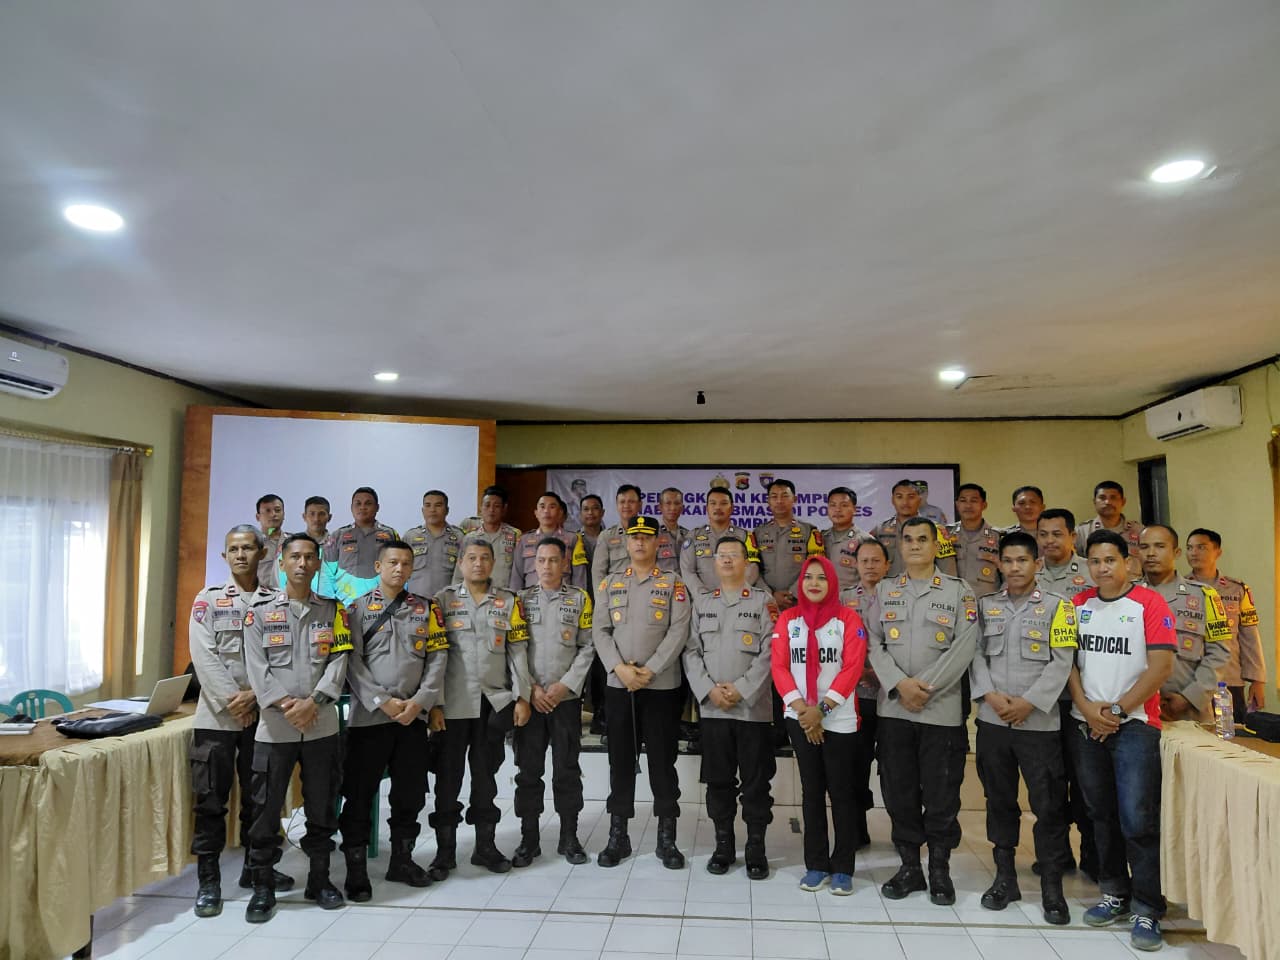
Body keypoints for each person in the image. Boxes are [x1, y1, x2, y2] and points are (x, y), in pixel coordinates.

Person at [1068, 530, 1176, 952]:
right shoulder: (1078, 605)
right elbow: (1068, 664)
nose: (1102, 568)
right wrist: (1087, 708)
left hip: (1135, 726)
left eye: (1110, 560)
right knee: (1101, 814)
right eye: (1094, 561)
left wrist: (1116, 711)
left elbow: (1161, 666)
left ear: (1127, 563)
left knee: (1137, 819)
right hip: (1087, 725)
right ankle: (1114, 892)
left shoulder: (1149, 604)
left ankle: (1147, 908)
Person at [863, 517, 977, 907]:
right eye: (908, 539)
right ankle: (910, 867)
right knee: (899, 792)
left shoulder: (959, 592)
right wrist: (899, 684)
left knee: (942, 794)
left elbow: (965, 646)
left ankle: (940, 869)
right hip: (895, 711)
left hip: (940, 711)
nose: (914, 545)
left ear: (935, 545)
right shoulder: (886, 590)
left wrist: (922, 687)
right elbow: (873, 641)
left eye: (922, 539)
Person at [242, 534, 350, 922]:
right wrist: (289, 705)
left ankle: (319, 881)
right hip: (276, 728)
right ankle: (262, 888)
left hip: (321, 725)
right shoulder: (259, 611)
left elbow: (339, 660)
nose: (302, 564)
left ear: (318, 564)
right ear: (283, 563)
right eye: (295, 557)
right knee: (265, 810)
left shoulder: (333, 611)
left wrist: (314, 702)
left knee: (322, 805)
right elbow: (256, 667)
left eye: (309, 557)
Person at [969, 532, 1076, 925]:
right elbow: (974, 655)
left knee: (1048, 806)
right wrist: (990, 696)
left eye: (1022, 561)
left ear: (1037, 564)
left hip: (1039, 723)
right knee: (999, 801)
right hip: (993, 720)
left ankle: (1052, 888)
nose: (1014, 568)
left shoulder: (1059, 607)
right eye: (1008, 561)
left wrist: (1029, 702)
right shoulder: (985, 607)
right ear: (999, 564)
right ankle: (1005, 879)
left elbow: (1062, 661)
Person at [188, 525, 290, 919]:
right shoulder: (208, 599)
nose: (241, 555)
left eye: (248, 548)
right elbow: (204, 657)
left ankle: (256, 870)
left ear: (262, 552)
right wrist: (235, 702)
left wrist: (255, 698)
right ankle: (209, 882)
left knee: (259, 801)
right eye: (233, 549)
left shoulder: (277, 601)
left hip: (263, 717)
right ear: (224, 556)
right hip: (217, 717)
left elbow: (284, 659)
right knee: (210, 801)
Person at [339, 540, 449, 900]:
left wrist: (421, 702)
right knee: (359, 794)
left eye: (405, 563)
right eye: (392, 563)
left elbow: (437, 659)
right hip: (370, 719)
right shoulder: (356, 609)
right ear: (378, 567)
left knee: (411, 794)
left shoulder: (426, 609)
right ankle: (356, 870)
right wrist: (381, 701)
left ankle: (401, 860)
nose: (399, 569)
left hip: (411, 720)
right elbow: (351, 662)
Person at [428, 538, 532, 878]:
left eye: (485, 558)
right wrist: (434, 704)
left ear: (493, 563)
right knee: (448, 779)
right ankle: (444, 853)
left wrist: (523, 697)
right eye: (471, 557)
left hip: (493, 703)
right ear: (460, 563)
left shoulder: (509, 601)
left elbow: (517, 652)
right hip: (453, 705)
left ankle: (485, 847)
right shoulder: (442, 601)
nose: (478, 563)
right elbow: (434, 657)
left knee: (485, 778)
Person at [593, 515, 692, 870]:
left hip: (661, 686)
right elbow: (600, 631)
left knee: (663, 763)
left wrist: (650, 670)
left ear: (657, 543)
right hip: (620, 686)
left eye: (646, 537)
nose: (639, 542)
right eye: (634, 537)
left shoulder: (673, 583)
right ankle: (618, 836)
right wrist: (619, 669)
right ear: (626, 542)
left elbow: (679, 631)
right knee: (620, 761)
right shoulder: (610, 583)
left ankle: (667, 838)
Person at [771, 555, 868, 895]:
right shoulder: (788, 619)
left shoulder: (848, 619)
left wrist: (821, 710)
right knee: (811, 792)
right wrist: (804, 711)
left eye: (821, 578)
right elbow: (779, 667)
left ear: (832, 582)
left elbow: (852, 668)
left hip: (838, 718)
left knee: (841, 792)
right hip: (799, 717)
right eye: (808, 577)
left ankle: (842, 868)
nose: (814, 583)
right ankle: (816, 865)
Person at [685, 537, 778, 880]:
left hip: (753, 711)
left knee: (756, 784)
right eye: (721, 555)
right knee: (718, 781)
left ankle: (756, 847)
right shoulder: (703, 603)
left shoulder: (763, 602)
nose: (726, 560)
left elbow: (772, 652)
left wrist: (742, 689)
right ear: (714, 562)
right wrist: (709, 690)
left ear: (747, 563)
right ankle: (723, 845)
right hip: (714, 711)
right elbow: (691, 651)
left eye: (733, 555)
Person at [512, 538, 596, 866]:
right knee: (528, 771)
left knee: (567, 770)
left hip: (565, 700)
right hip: (531, 700)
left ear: (564, 564)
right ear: (534, 565)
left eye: (553, 560)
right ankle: (529, 838)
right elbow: (514, 649)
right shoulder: (520, 601)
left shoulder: (580, 599)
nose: (547, 566)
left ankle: (569, 837)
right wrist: (530, 688)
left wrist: (566, 685)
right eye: (541, 560)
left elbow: (588, 646)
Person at [1034, 507, 1097, 881]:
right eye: (1043, 534)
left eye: (1057, 534)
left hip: (1084, 695)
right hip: (1043, 696)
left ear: (1073, 536)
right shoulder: (1029, 573)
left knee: (1086, 779)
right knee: (1049, 782)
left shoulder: (1093, 572)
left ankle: (1093, 854)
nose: (1049, 541)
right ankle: (1056, 855)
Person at [1137, 524, 1231, 722]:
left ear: (1176, 552)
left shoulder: (1204, 595)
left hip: (1189, 711)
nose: (1151, 553)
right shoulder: (1127, 595)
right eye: (1144, 547)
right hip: (1137, 710)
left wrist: (1190, 697)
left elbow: (1219, 653)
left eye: (1160, 546)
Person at [839, 538, 890, 848]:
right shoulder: (843, 599)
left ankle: (903, 830)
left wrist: (881, 674)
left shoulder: (898, 596)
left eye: (876, 560)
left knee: (894, 768)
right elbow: (834, 644)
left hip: (891, 696)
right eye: (864, 561)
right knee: (854, 766)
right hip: (854, 697)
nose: (870, 566)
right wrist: (859, 672)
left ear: (887, 564)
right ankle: (857, 828)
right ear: (855, 565)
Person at [1185, 527, 1268, 718]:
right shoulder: (1179, 588)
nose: (1194, 552)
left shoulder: (1237, 589)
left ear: (1218, 552)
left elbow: (1250, 636)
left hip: (1229, 679)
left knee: (1232, 731)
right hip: (1191, 680)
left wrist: (1257, 680)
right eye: (1189, 548)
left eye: (1201, 547)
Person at [747, 479, 825, 611]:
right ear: (768, 501)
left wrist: (792, 594)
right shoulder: (758, 533)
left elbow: (816, 566)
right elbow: (753, 568)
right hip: (766, 603)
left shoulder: (809, 531)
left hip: (800, 601)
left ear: (795, 499)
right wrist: (770, 595)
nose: (779, 501)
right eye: (774, 496)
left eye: (784, 496)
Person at [680, 486, 759, 595]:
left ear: (732, 508)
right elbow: (688, 571)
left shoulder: (745, 536)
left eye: (723, 503)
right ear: (707, 508)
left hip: (737, 599)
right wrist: (702, 596)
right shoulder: (693, 536)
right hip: (702, 601)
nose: (718, 507)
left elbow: (752, 568)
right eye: (713, 503)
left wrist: (734, 592)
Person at [871, 479, 957, 577]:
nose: (905, 502)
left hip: (924, 586)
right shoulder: (880, 530)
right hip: (890, 586)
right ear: (892, 500)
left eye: (911, 497)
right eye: (899, 497)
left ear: (919, 500)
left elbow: (948, 571)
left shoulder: (937, 530)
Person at [510, 492, 588, 591]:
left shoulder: (573, 539)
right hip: (530, 598)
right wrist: (515, 599)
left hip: (564, 598)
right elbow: (516, 577)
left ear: (560, 512)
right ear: (536, 513)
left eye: (552, 507)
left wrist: (579, 598)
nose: (546, 511)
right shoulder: (524, 540)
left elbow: (579, 577)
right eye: (542, 507)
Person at [403, 490, 466, 599]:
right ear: (422, 510)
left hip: (448, 602)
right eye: (428, 505)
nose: (432, 510)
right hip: (415, 602)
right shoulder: (410, 537)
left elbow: (465, 574)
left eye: (438, 505)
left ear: (447, 510)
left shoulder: (460, 537)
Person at [325, 487, 399, 578]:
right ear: (351, 507)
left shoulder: (390, 534)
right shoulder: (338, 535)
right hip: (346, 587)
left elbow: (399, 566)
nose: (362, 507)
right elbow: (327, 572)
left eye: (368, 503)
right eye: (358, 504)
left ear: (377, 507)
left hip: (381, 587)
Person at [458, 485, 522, 588]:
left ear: (504, 509)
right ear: (481, 508)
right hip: (475, 595)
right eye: (487, 505)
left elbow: (518, 572)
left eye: (496, 506)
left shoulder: (514, 535)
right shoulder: (469, 537)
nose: (491, 510)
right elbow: (459, 573)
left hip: (503, 595)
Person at [945, 483, 1003, 598]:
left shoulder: (998, 537)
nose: (968, 505)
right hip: (953, 601)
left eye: (974, 501)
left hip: (987, 603)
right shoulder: (945, 534)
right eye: (963, 500)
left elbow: (1007, 576)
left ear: (984, 505)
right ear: (957, 504)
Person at [1074, 482, 1142, 578]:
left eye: (1113, 498)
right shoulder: (1082, 532)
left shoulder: (1139, 530)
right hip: (1095, 584)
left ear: (1123, 502)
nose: (1107, 502)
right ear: (1094, 502)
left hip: (1133, 584)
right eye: (1102, 498)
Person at [591, 484, 645, 583]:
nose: (626, 506)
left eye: (631, 502)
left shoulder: (650, 534)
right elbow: (598, 573)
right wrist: (601, 593)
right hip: (615, 591)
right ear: (617, 505)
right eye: (622, 502)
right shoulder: (606, 536)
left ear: (640, 505)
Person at [823, 486, 870, 590]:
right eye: (832, 505)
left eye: (844, 505)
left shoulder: (866, 541)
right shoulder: (819, 538)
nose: (837, 510)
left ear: (854, 509)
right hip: (822, 598)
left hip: (852, 599)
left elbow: (873, 580)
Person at [255, 493, 287, 587]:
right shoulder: (251, 544)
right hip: (258, 594)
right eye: (267, 511)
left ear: (283, 515)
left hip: (287, 594)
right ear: (258, 517)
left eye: (277, 510)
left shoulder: (294, 543)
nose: (273, 514)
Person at [657, 487, 690, 572]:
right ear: (660, 507)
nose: (673, 508)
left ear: (682, 508)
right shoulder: (652, 535)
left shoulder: (688, 535)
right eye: (668, 503)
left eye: (677, 503)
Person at [577, 494, 605, 569]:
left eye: (595, 508)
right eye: (586, 509)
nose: (590, 512)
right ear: (580, 514)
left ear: (602, 512)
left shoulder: (610, 538)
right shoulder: (574, 540)